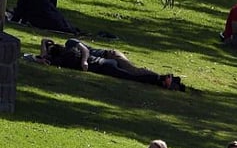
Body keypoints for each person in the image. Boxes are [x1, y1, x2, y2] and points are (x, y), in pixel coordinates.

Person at [38, 38, 184, 90]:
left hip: (109, 55)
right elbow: (43, 56)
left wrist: (83, 61)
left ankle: (163, 78)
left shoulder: (70, 44)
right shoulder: (65, 56)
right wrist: (43, 43)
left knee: (132, 71)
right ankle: (161, 79)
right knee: (132, 72)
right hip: (105, 60)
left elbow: (85, 50)